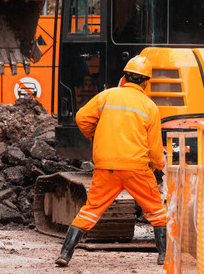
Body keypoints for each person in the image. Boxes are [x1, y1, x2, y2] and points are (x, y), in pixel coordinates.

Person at [55, 55, 167, 267]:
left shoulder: (106, 96)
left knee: (90, 210)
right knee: (156, 210)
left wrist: (94, 136)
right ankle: (163, 255)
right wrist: (156, 167)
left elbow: (81, 118)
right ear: (146, 82)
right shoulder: (150, 107)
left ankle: (65, 254)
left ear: (124, 77)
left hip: (106, 168)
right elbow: (153, 148)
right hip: (136, 169)